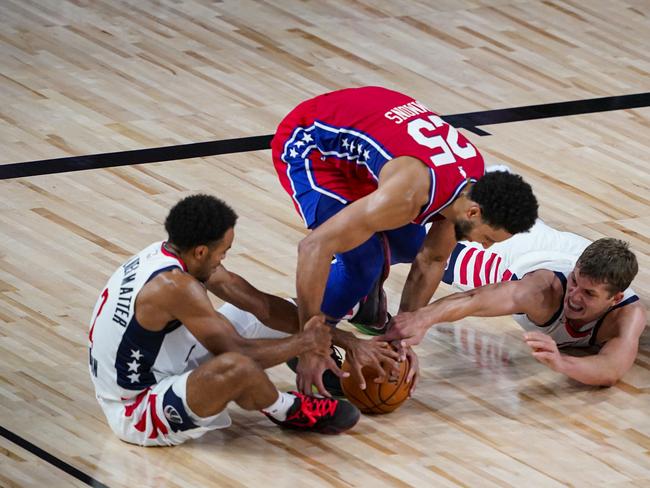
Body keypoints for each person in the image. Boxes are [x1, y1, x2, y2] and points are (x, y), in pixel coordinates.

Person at [271, 86, 539, 396]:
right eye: (488, 237)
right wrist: (310, 346)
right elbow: (313, 247)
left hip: (370, 136)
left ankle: (360, 297)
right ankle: (308, 340)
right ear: (474, 212)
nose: (485, 246)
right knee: (363, 261)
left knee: (410, 245)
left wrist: (401, 336)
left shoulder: (470, 187)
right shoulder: (408, 194)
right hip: (314, 143)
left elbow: (433, 259)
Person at [88, 194, 361, 447]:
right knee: (237, 367)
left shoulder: (171, 255)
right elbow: (239, 353)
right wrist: (303, 343)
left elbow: (261, 306)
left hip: (161, 366)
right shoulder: (173, 286)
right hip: (137, 409)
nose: (224, 258)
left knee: (254, 315)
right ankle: (290, 410)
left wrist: (344, 340)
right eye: (223, 251)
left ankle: (304, 369)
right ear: (201, 252)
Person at [382, 237, 646, 386]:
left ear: (616, 298)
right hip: (506, 249)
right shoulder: (542, 291)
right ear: (574, 269)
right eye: (575, 281)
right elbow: (474, 299)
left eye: (589, 294)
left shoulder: (627, 315)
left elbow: (611, 369)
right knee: (405, 240)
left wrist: (561, 362)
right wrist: (420, 319)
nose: (574, 296)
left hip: (549, 241)